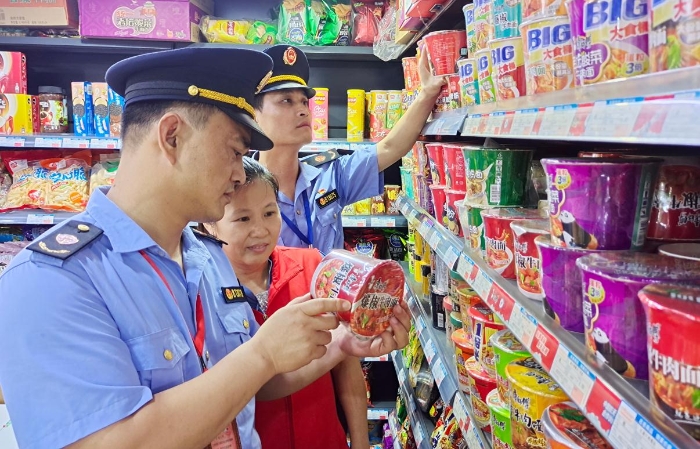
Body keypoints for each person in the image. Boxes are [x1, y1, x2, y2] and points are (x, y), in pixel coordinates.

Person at [0, 47, 411, 449]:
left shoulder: (208, 256)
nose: (240, 173)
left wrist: (340, 345)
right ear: (172, 136)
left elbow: (251, 384)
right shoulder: (51, 282)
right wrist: (263, 355)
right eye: (234, 151)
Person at [202, 157, 369, 449]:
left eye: (270, 212)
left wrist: (360, 441)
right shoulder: (202, 292)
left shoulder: (314, 268)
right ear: (210, 222)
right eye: (243, 218)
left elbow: (346, 367)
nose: (261, 230)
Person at [254, 44, 446, 256]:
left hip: (327, 289)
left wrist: (427, 94)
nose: (302, 110)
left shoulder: (329, 175)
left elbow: (390, 148)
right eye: (286, 100)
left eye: (303, 101)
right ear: (254, 115)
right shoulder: (239, 191)